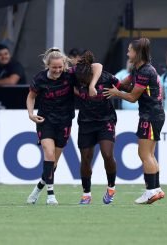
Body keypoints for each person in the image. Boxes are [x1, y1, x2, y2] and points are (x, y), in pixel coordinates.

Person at [26, 47, 103, 205]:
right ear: (47, 65)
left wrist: (91, 86)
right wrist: (30, 113)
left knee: (53, 163)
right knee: (49, 154)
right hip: (45, 121)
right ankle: (50, 195)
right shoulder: (40, 79)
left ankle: (38, 188)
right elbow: (31, 97)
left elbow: (97, 66)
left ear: (64, 65)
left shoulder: (69, 74)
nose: (57, 70)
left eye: (60, 67)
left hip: (65, 121)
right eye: (54, 67)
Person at [104, 38, 165, 204]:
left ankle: (151, 191)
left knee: (144, 154)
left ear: (137, 54)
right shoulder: (139, 69)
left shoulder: (145, 72)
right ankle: (156, 189)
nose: (127, 53)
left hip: (151, 115)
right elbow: (122, 84)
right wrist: (104, 78)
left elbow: (131, 97)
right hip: (153, 114)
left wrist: (115, 93)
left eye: (130, 50)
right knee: (149, 154)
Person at [74, 50, 132, 205]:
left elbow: (125, 88)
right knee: (85, 159)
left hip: (105, 120)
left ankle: (111, 187)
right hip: (86, 122)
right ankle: (86, 194)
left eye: (84, 79)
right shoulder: (77, 76)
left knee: (107, 154)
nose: (82, 82)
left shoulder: (106, 77)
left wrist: (123, 89)